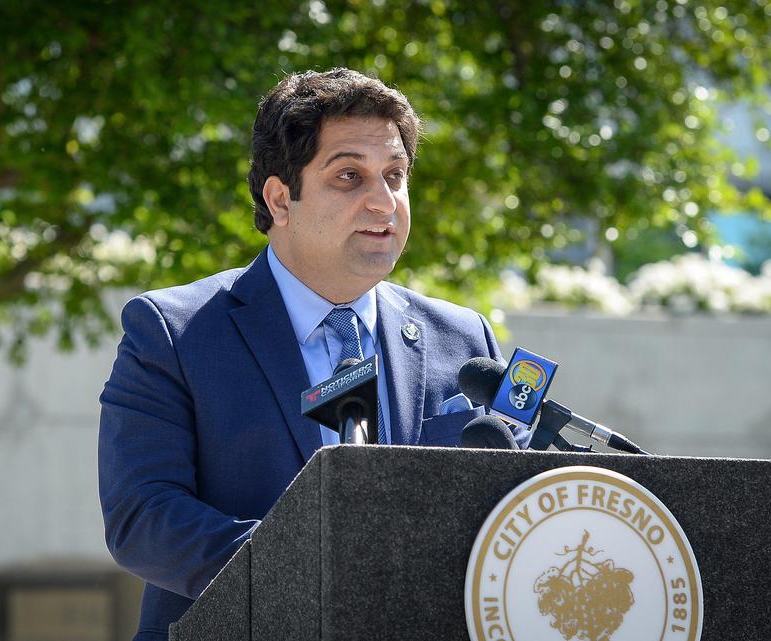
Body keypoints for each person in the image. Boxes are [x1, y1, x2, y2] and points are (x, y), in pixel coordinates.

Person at [98, 68, 510, 641]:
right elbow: (142, 519)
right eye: (349, 176)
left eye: (395, 176)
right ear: (279, 198)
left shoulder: (464, 340)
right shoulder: (173, 332)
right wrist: (316, 574)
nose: (383, 201)